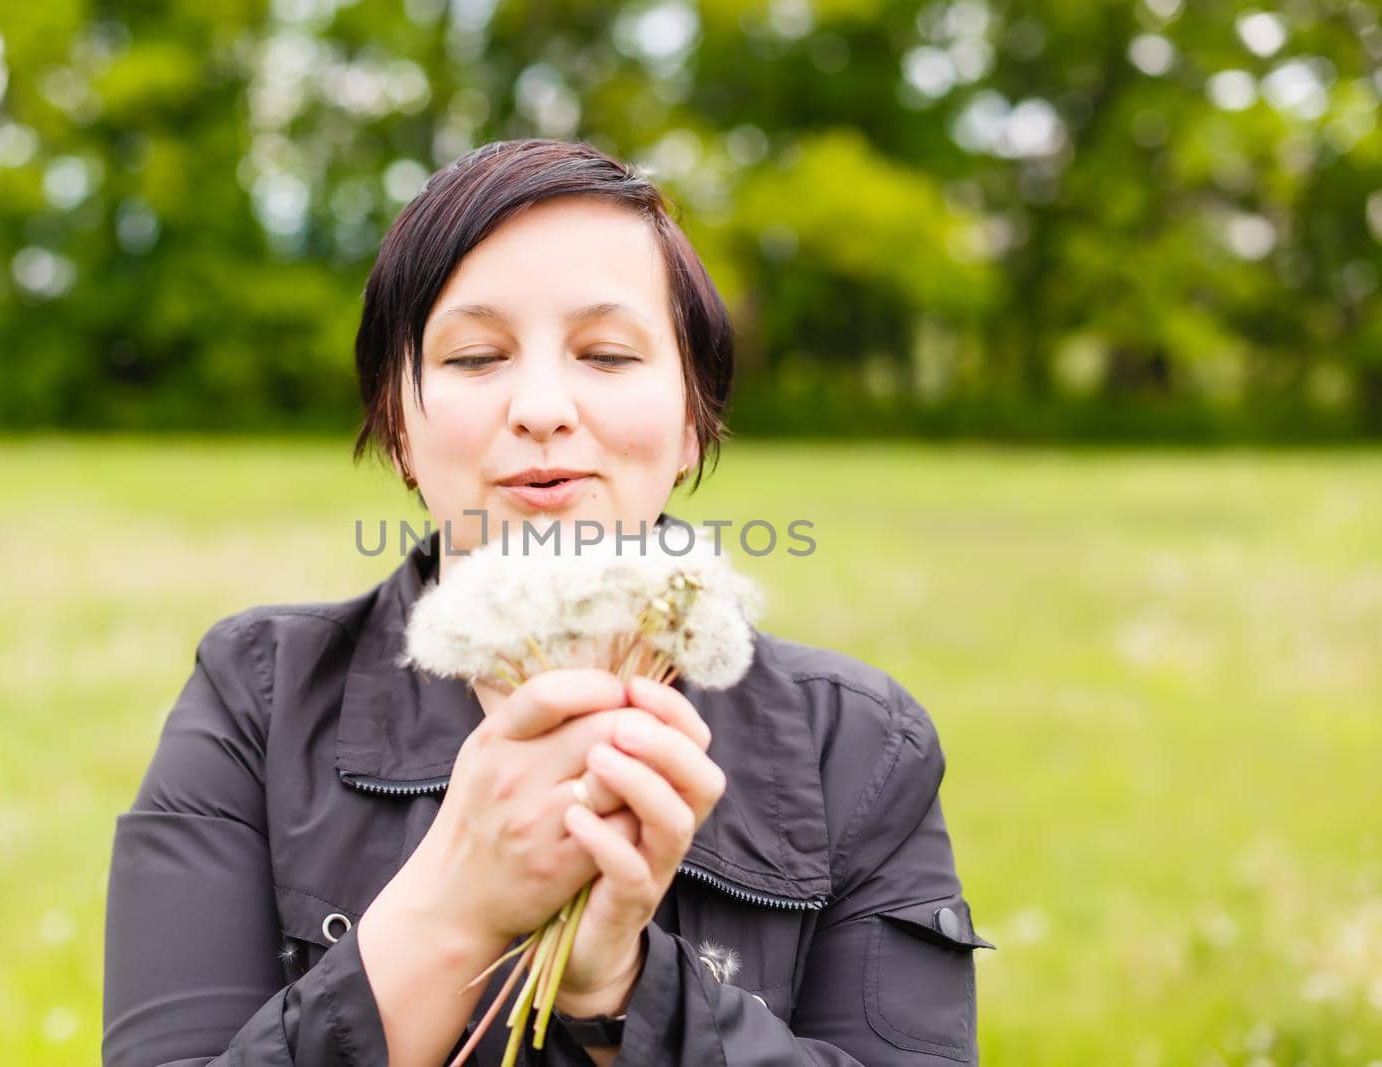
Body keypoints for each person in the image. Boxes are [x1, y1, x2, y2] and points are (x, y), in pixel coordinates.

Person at [102, 139, 994, 1067]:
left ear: (693, 420)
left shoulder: (856, 746)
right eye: (476, 355)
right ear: (399, 427)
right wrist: (457, 905)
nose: (540, 406)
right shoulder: (261, 694)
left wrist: (621, 991)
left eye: (606, 353)